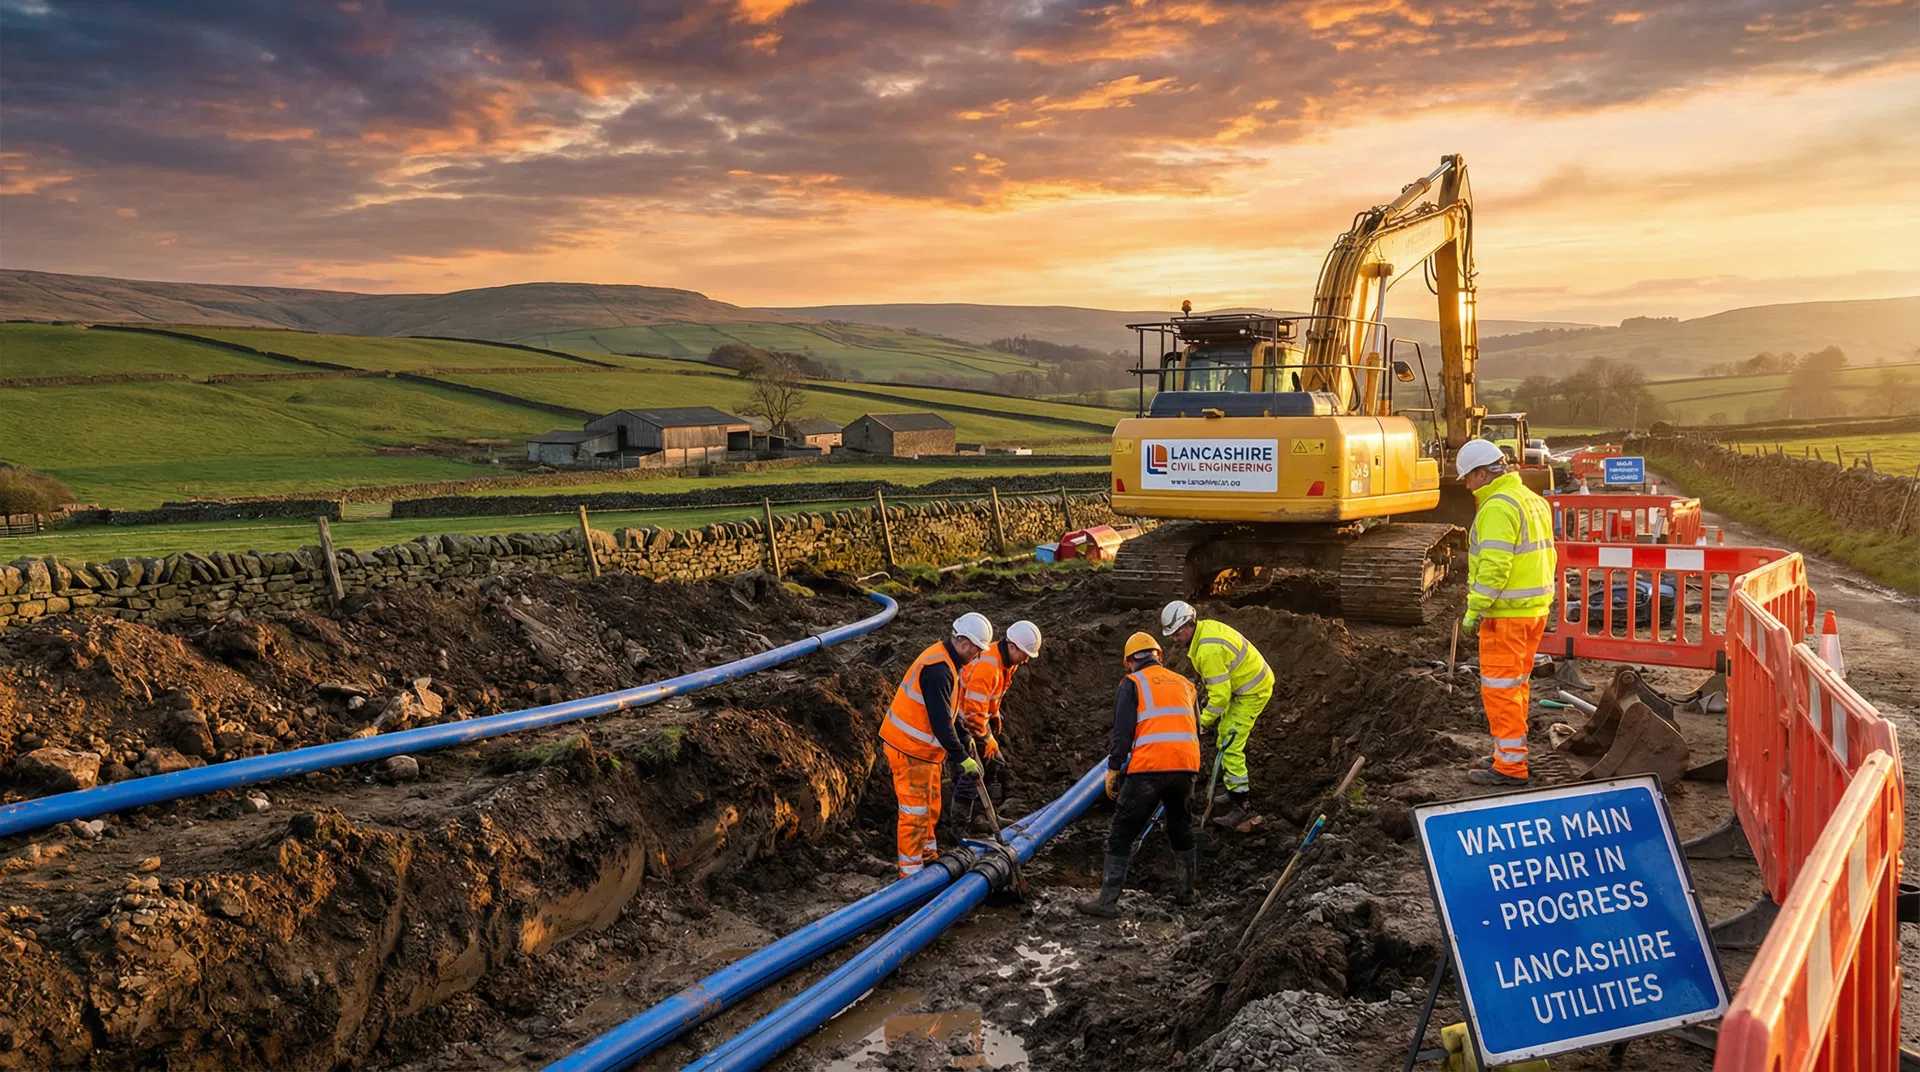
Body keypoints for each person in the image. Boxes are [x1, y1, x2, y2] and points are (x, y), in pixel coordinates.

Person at [1457, 437, 1558, 787]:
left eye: (1469, 478)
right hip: (1533, 611)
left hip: (1507, 615)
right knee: (1516, 686)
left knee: (1500, 690)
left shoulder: (1498, 507)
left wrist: (1474, 609)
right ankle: (1507, 751)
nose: (1467, 486)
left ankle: (1510, 767)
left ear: (1483, 474)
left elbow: (1495, 567)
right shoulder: (1531, 499)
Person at [1078, 632, 1201, 917]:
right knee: (1180, 827)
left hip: (1149, 768)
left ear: (1131, 661)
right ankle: (1186, 893)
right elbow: (1196, 727)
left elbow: (1123, 734)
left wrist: (1113, 769)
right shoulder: (1186, 683)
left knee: (1122, 831)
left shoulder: (1132, 683)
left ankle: (1106, 902)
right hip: (1186, 766)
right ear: (1158, 656)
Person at [880, 612, 993, 877]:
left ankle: (929, 858)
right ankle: (910, 876)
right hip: (908, 749)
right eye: (977, 650)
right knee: (915, 813)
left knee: (931, 804)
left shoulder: (948, 662)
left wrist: (964, 737)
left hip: (925, 752)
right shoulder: (939, 670)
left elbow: (948, 714)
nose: (977, 656)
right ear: (965, 644)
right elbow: (941, 723)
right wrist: (962, 757)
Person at [1160, 600, 1271, 830]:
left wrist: (1202, 721)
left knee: (1231, 744)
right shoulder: (1204, 631)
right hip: (1241, 686)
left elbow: (1220, 696)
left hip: (1252, 690)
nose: (1174, 639)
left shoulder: (1207, 649)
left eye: (1176, 634)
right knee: (1224, 735)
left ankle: (1242, 806)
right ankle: (1231, 788)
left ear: (1186, 627)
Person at [952, 620, 1042, 824]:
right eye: (1025, 655)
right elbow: (973, 713)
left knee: (994, 762)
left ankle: (987, 815)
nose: (1026, 660)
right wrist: (987, 737)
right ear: (1012, 646)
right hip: (962, 720)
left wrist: (993, 714)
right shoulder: (988, 668)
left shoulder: (1007, 661)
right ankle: (965, 824)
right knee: (971, 771)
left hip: (973, 718)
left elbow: (992, 695)